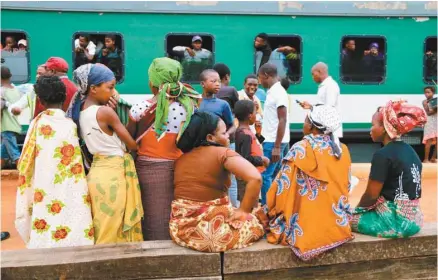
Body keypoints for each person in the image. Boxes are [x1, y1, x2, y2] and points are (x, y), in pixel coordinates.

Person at [257, 105, 353, 261]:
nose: (304, 122)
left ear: (312, 125)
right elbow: (346, 186)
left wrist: (268, 211)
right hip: (337, 225)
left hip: (306, 226)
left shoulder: (300, 149)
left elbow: (281, 189)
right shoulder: (342, 150)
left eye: (306, 119)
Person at [15, 76, 94, 249]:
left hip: (44, 183)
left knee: (46, 212)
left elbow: (25, 160)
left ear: (40, 101)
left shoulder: (37, 123)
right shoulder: (71, 125)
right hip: (72, 183)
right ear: (65, 97)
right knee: (73, 210)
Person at [127, 57, 201, 240]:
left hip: (147, 169)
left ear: (152, 83)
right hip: (180, 168)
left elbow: (129, 140)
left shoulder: (139, 109)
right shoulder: (188, 107)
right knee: (175, 212)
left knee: (152, 214)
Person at [69, 63, 143, 244]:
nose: (113, 92)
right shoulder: (105, 112)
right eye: (110, 87)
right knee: (114, 228)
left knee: (103, 226)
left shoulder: (81, 111)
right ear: (93, 88)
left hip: (97, 173)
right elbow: (132, 145)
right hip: (113, 175)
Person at [170, 111, 264, 252]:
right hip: (210, 236)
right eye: (224, 133)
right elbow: (255, 178)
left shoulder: (181, 160)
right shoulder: (222, 153)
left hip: (180, 231)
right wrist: (243, 210)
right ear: (210, 137)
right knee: (261, 221)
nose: (228, 136)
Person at [351, 101, 427, 238]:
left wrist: (356, 211)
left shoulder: (382, 155)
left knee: (342, 220)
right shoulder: (410, 151)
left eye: (373, 125)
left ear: (385, 128)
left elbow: (371, 196)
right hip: (415, 220)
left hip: (395, 223)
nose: (370, 129)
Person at [199, 69, 239, 207]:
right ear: (203, 84)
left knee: (230, 182)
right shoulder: (196, 103)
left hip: (222, 146)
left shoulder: (223, 104)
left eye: (219, 81)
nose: (218, 84)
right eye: (213, 81)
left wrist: (226, 135)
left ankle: (233, 211)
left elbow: (232, 125)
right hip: (203, 148)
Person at [257, 63, 289, 205]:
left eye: (259, 78)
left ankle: (267, 207)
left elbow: (282, 119)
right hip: (272, 140)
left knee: (265, 176)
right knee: (275, 176)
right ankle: (275, 206)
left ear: (266, 75)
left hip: (273, 142)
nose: (259, 82)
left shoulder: (278, 92)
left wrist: (276, 146)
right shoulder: (273, 91)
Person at [234, 100, 269, 204]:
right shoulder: (244, 134)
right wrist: (262, 160)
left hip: (251, 176)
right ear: (250, 116)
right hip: (247, 179)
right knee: (249, 205)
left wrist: (258, 134)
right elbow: (245, 158)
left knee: (251, 203)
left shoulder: (246, 131)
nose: (256, 116)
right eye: (255, 113)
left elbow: (255, 146)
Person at [299, 62, 342, 138]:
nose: (312, 77)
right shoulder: (324, 86)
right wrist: (311, 107)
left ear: (319, 71)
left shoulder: (330, 86)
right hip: (324, 131)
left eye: (313, 74)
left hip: (329, 132)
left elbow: (329, 110)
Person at [1, 66, 22, 169]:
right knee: (3, 152)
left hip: (6, 125)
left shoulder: (2, 91)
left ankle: (23, 173)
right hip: (15, 124)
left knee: (14, 152)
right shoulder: (16, 90)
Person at [422, 86, 437, 163]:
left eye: (428, 92)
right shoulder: (425, 102)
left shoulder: (436, 100)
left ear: (433, 92)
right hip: (430, 122)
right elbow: (429, 113)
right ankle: (426, 159)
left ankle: (433, 158)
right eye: (425, 92)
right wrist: (435, 108)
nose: (426, 94)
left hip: (437, 121)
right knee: (429, 140)